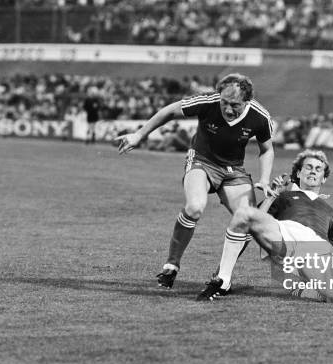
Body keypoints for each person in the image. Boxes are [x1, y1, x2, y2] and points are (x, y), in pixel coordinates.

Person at [116, 73, 276, 290]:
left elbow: (267, 149)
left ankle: (221, 275)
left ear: (247, 102)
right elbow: (169, 111)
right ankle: (171, 266)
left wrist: (265, 179)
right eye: (225, 102)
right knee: (194, 207)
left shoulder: (260, 116)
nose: (228, 109)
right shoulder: (207, 102)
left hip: (233, 170)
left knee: (248, 221)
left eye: (235, 105)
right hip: (202, 160)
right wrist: (139, 135)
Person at [197, 149, 333, 302]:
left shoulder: (331, 213)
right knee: (243, 212)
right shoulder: (285, 197)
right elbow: (251, 224)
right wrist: (273, 195)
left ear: (324, 178)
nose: (313, 171)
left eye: (318, 169)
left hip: (314, 248)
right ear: (298, 173)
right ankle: (222, 280)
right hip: (283, 234)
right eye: (308, 167)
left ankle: (306, 287)